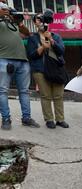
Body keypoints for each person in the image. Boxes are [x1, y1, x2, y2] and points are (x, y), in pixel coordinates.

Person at [0, 1, 40, 130]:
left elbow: (27, 33)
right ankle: (6, 119)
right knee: (3, 91)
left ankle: (26, 118)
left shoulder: (14, 24)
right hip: (4, 59)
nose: (6, 11)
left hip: (22, 60)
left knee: (24, 91)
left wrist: (17, 21)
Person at [27, 13, 69, 129]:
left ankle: (60, 119)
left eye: (42, 20)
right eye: (38, 20)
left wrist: (51, 40)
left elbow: (61, 51)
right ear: (35, 23)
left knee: (58, 95)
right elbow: (31, 55)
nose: (40, 22)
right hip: (40, 70)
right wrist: (42, 48)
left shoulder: (56, 36)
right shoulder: (32, 38)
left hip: (56, 69)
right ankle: (49, 119)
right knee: (46, 96)